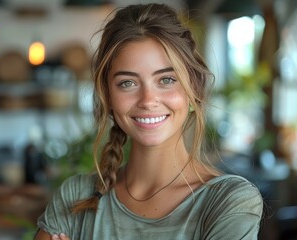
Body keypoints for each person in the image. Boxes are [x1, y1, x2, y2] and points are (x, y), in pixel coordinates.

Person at [35, 3, 263, 240]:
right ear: (108, 96)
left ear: (193, 89)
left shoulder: (229, 201)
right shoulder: (76, 197)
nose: (148, 100)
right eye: (128, 83)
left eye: (166, 79)